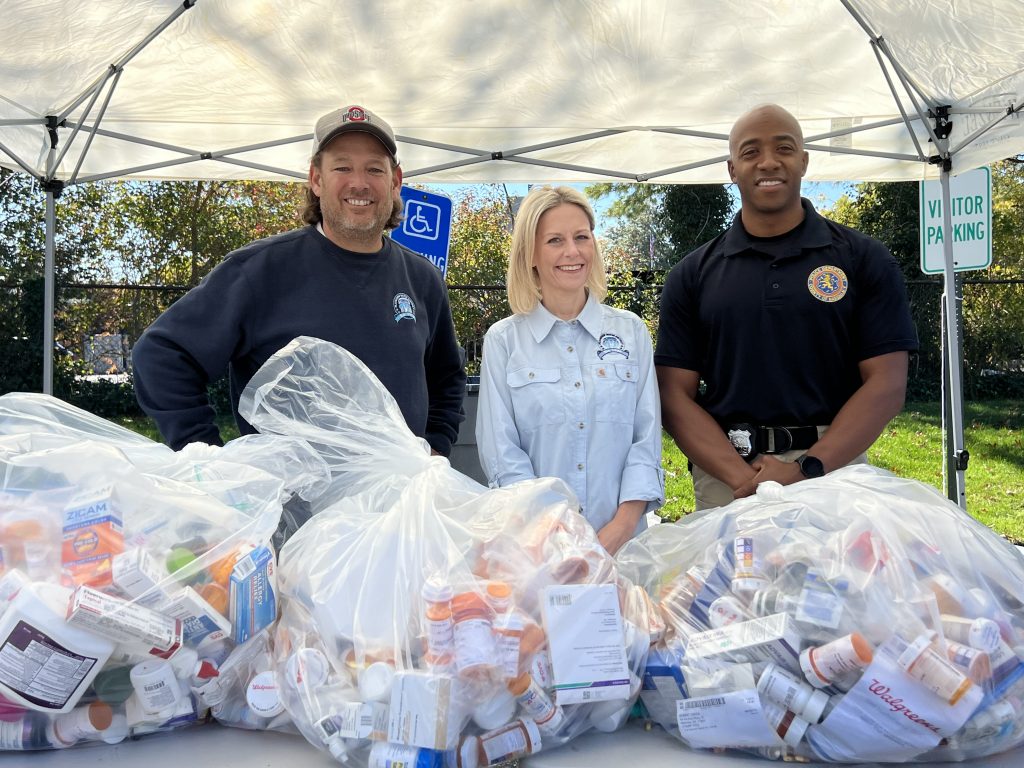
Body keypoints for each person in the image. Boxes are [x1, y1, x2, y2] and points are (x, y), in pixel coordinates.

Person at [133, 104, 466, 457]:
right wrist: (208, 456)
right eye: (342, 167)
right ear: (317, 179)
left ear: (395, 181)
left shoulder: (421, 278)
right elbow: (161, 355)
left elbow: (447, 377)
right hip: (295, 506)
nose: (359, 183)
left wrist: (436, 447)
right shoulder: (259, 270)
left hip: (400, 501)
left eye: (374, 169)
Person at [655, 103, 918, 510]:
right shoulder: (692, 274)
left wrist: (805, 469)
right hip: (730, 477)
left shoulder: (863, 258)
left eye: (784, 148)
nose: (768, 162)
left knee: (836, 577)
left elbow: (886, 385)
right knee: (734, 577)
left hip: (833, 472)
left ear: (804, 161)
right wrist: (743, 477)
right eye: (750, 152)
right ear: (731, 170)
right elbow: (673, 396)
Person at [476, 186, 664, 555]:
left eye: (582, 237)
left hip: (623, 549)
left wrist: (620, 529)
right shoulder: (503, 342)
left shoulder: (631, 332)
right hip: (539, 551)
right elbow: (503, 455)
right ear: (530, 253)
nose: (572, 252)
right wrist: (556, 536)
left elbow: (646, 443)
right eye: (555, 240)